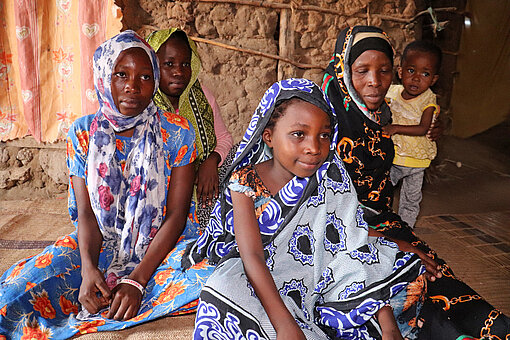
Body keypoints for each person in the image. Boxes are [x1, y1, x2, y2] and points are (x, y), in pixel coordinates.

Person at [0, 30, 213, 338]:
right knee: (14, 297)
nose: (132, 87)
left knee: (210, 278)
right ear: (103, 77)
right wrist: (88, 269)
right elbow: (86, 213)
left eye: (144, 77)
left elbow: (177, 216)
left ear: (154, 81)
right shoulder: (83, 133)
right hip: (100, 243)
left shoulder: (176, 131)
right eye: (121, 74)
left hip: (162, 244)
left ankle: (133, 291)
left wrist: (137, 281)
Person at [184, 78, 427, 339]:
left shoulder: (330, 176)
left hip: (321, 274)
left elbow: (349, 238)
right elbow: (252, 256)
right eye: (299, 134)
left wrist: (403, 246)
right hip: (263, 274)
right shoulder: (245, 182)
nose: (313, 148)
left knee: (401, 265)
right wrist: (284, 325)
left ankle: (379, 323)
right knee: (220, 290)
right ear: (269, 136)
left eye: (324, 135)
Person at [323, 25, 510, 338]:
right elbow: (317, 208)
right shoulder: (325, 123)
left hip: (380, 218)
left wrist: (433, 129)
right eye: (362, 70)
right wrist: (394, 242)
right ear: (343, 70)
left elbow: (419, 121)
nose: (374, 81)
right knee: (410, 287)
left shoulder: (382, 111)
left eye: (384, 71)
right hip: (335, 234)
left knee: (438, 275)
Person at [146, 28, 234, 229]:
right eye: (169, 64)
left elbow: (224, 138)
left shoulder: (201, 96)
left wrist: (211, 161)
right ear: (152, 65)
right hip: (157, 195)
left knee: (242, 155)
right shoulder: (143, 103)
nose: (178, 71)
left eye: (185, 64)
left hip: (203, 188)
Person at [382, 40, 442, 228]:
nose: (416, 78)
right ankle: (381, 224)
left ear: (433, 79)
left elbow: (423, 128)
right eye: (411, 71)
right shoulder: (392, 92)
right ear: (400, 72)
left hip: (417, 162)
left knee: (410, 200)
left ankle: (405, 230)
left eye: (425, 74)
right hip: (394, 158)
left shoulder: (428, 100)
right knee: (382, 192)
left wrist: (395, 128)